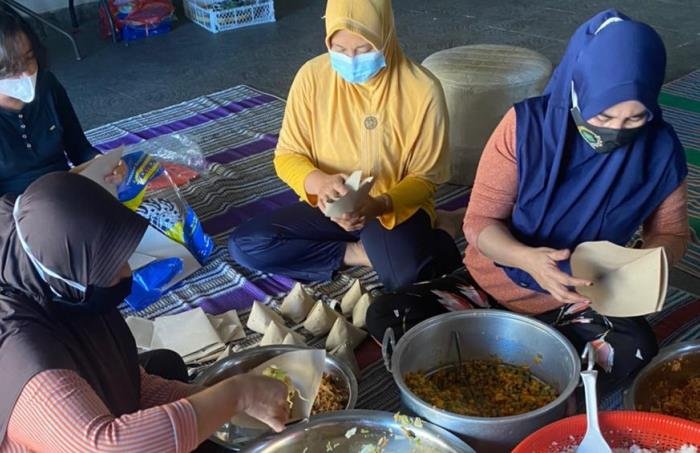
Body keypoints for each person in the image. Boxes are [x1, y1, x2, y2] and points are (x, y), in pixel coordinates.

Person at [366, 10, 689, 393]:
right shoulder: (526, 128)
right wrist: (528, 260)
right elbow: (479, 223)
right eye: (603, 115)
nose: (616, 132)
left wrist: (641, 264)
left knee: (635, 346)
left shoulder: (660, 149)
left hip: (581, 299)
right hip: (486, 290)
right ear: (579, 89)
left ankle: (495, 371)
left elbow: (672, 233)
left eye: (635, 119)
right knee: (390, 312)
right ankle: (537, 375)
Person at [0, 172, 290, 452]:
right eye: (108, 266)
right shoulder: (18, 346)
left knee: (165, 363)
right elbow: (106, 447)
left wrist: (212, 402)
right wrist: (237, 395)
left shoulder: (63, 287)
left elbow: (132, 387)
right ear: (65, 270)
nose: (127, 272)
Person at [228, 0, 463, 292]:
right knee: (247, 245)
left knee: (408, 279)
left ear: (386, 37)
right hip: (330, 207)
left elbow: (426, 177)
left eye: (363, 50)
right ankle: (358, 254)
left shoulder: (422, 90)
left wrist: (378, 205)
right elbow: (287, 155)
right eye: (339, 50)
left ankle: (447, 226)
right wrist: (321, 184)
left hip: (390, 210)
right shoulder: (312, 77)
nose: (350, 60)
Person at [0, 12, 122, 196]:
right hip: (14, 204)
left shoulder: (47, 85)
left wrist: (104, 165)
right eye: (12, 69)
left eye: (29, 58)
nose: (26, 73)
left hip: (64, 190)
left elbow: (79, 148)